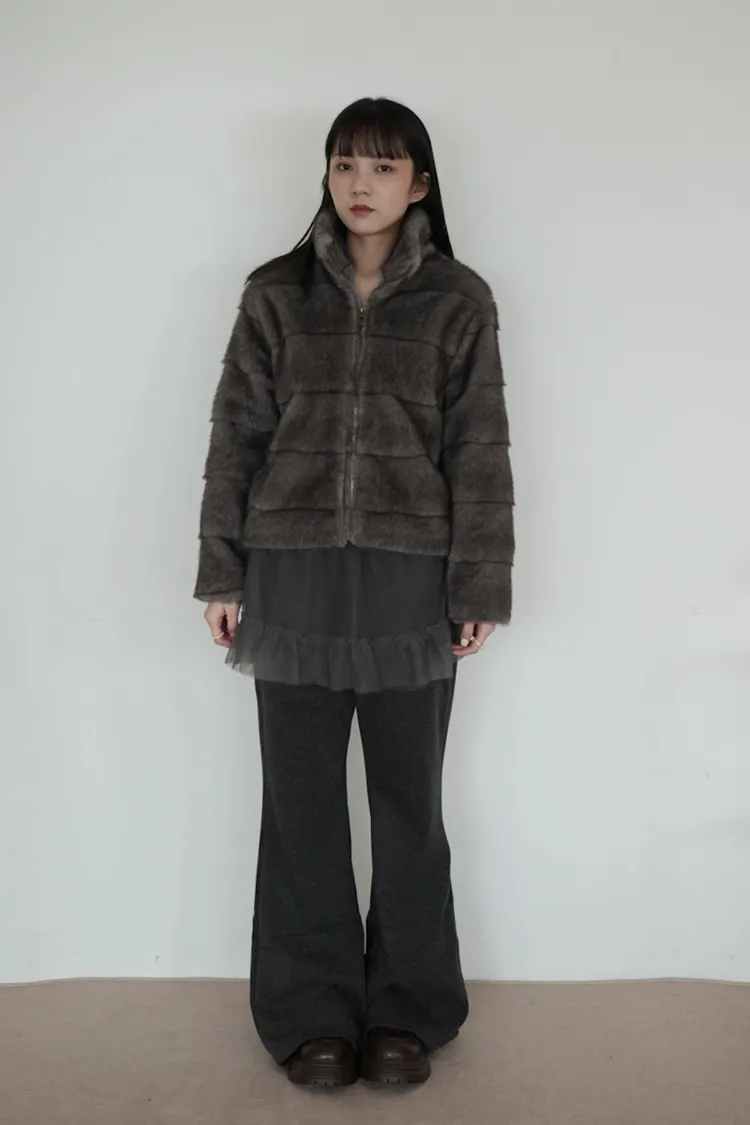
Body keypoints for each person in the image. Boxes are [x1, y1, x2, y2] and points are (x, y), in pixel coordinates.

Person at [193, 96, 515, 1088]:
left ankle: (408, 1011)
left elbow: (480, 448)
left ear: (420, 183)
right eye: (344, 164)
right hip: (289, 575)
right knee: (300, 807)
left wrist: (479, 581)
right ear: (327, 175)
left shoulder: (459, 301)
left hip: (411, 581)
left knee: (409, 804)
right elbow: (236, 436)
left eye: (382, 166)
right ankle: (310, 1016)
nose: (360, 184)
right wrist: (222, 569)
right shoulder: (275, 294)